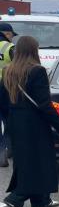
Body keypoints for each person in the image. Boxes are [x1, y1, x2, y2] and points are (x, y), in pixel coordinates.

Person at [0, 36, 59, 207]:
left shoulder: (8, 70)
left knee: (25, 160)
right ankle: (16, 198)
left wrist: (9, 123)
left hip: (15, 121)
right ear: (33, 50)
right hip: (34, 123)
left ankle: (41, 199)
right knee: (40, 161)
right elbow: (44, 104)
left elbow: (3, 101)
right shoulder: (37, 71)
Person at [0, 23, 16, 168]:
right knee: (9, 119)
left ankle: (1, 152)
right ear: (6, 34)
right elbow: (18, 68)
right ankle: (8, 150)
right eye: (11, 34)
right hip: (5, 88)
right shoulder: (9, 47)